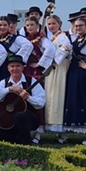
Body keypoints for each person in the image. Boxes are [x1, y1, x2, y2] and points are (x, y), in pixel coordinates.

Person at [0, 55, 46, 145]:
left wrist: (28, 98)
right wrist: (10, 89)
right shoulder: (4, 82)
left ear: (22, 68)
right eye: (12, 66)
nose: (15, 69)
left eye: (17, 66)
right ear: (8, 68)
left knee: (20, 117)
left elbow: (41, 102)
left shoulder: (31, 81)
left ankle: (25, 141)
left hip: (29, 118)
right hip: (8, 118)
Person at [62, 17, 86, 145]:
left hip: (85, 74)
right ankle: (74, 130)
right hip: (75, 72)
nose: (78, 28)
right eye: (76, 26)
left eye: (81, 26)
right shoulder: (77, 39)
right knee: (75, 99)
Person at [23, 16, 56, 144]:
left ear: (37, 26)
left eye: (32, 25)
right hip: (27, 71)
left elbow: (50, 49)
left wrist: (40, 64)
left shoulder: (42, 39)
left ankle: (38, 133)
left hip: (36, 73)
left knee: (37, 99)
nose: (30, 27)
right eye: (27, 25)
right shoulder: (25, 40)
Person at [44, 15, 72, 137]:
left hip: (59, 68)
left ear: (59, 24)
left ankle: (62, 131)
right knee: (51, 95)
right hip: (52, 68)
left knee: (59, 95)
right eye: (49, 24)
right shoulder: (52, 37)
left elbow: (67, 47)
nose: (51, 26)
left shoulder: (62, 36)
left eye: (53, 23)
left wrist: (55, 59)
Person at [0, 16, 33, 82]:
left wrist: (16, 59)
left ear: (8, 26)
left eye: (5, 25)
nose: (2, 27)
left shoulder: (15, 38)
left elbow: (28, 45)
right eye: (0, 25)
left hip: (9, 69)